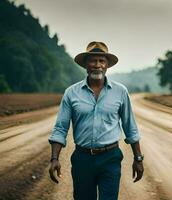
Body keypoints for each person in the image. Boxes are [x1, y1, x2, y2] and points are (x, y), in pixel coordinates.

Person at [48, 41, 144, 200]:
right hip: (82, 159)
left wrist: (138, 158)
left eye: (101, 61)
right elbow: (60, 128)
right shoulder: (71, 93)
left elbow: (130, 127)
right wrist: (54, 158)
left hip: (111, 158)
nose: (97, 65)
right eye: (93, 60)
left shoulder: (120, 92)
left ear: (107, 65)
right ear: (86, 64)